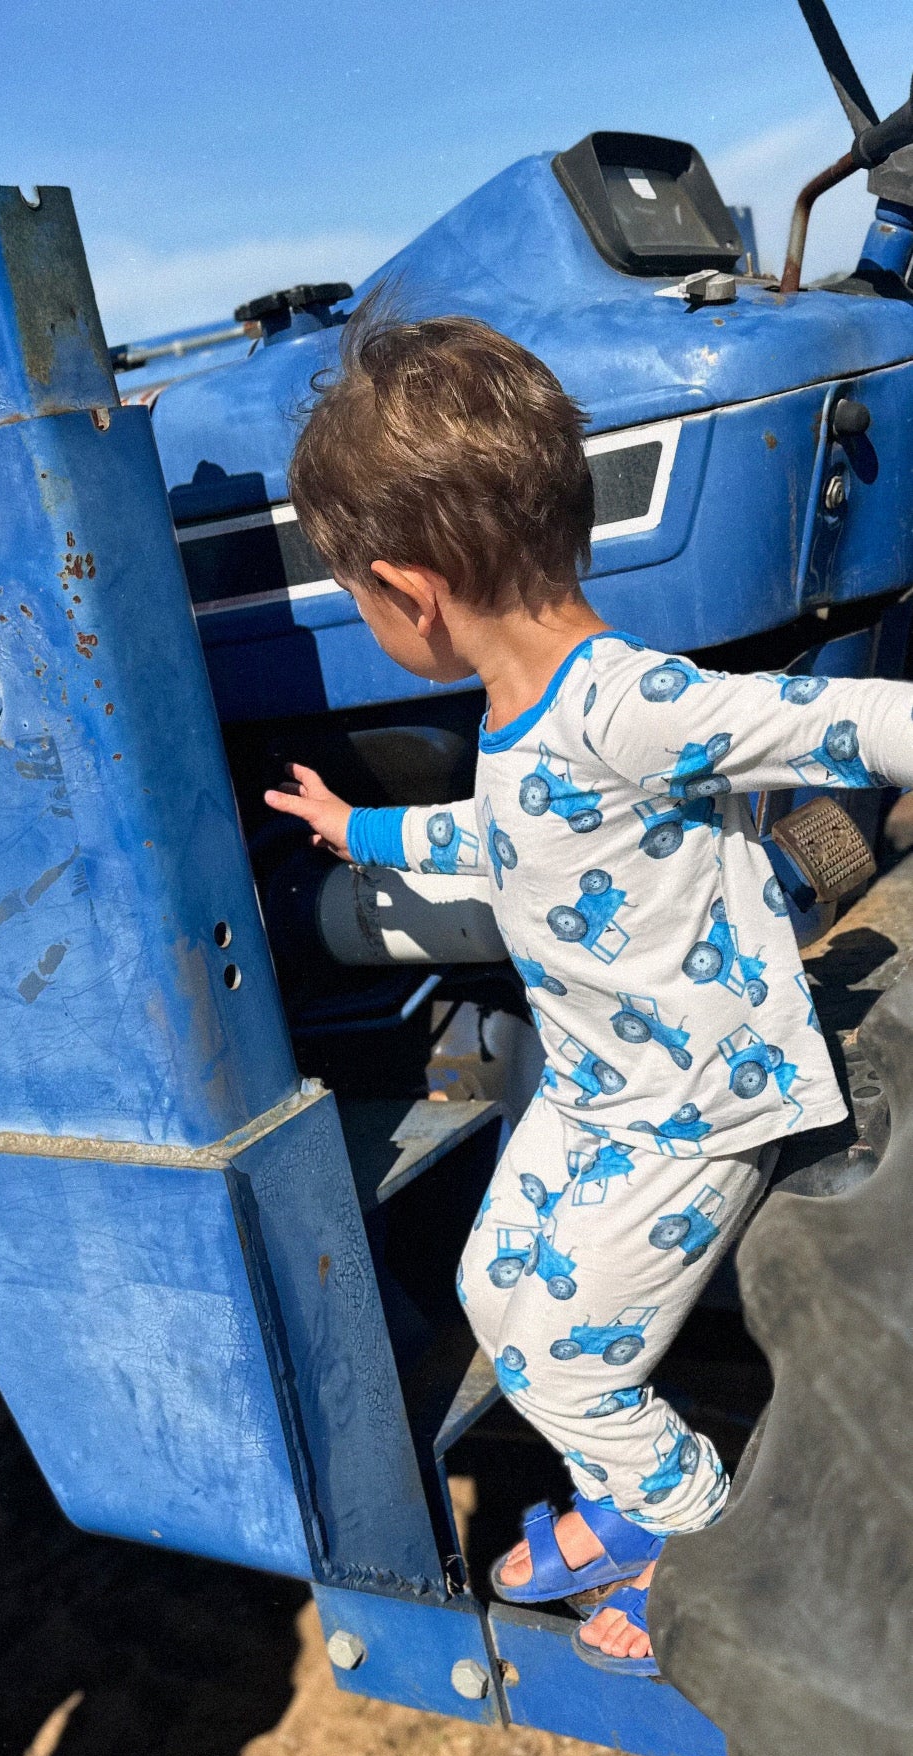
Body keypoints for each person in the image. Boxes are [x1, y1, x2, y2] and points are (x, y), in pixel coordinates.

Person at [265, 303, 913, 1676]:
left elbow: (833, 720)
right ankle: (630, 1498)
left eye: (359, 599)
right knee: (497, 1293)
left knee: (566, 1362)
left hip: (698, 1099)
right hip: (598, 1083)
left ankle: (711, 1555)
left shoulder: (627, 703)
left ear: (411, 592)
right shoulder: (522, 711)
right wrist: (360, 832)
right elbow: (503, 838)